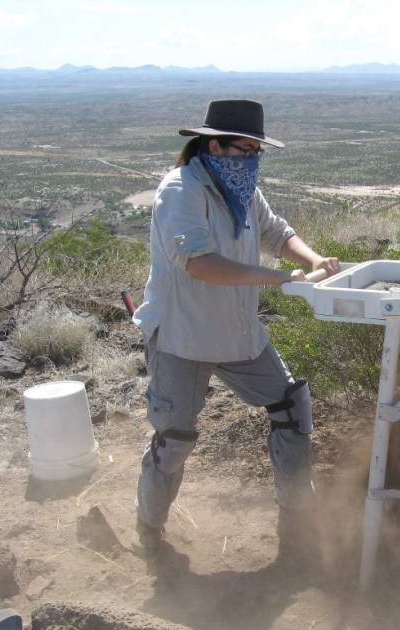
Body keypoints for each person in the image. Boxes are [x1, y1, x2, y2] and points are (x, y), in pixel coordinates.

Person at [131, 99, 339, 570]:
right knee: (174, 440)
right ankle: (149, 528)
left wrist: (312, 260)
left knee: (291, 410)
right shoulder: (180, 191)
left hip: (239, 334)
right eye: (244, 150)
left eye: (255, 152)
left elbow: (276, 233)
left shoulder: (241, 189)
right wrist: (278, 278)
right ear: (213, 146)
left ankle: (297, 524)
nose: (250, 160)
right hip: (182, 337)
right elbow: (200, 263)